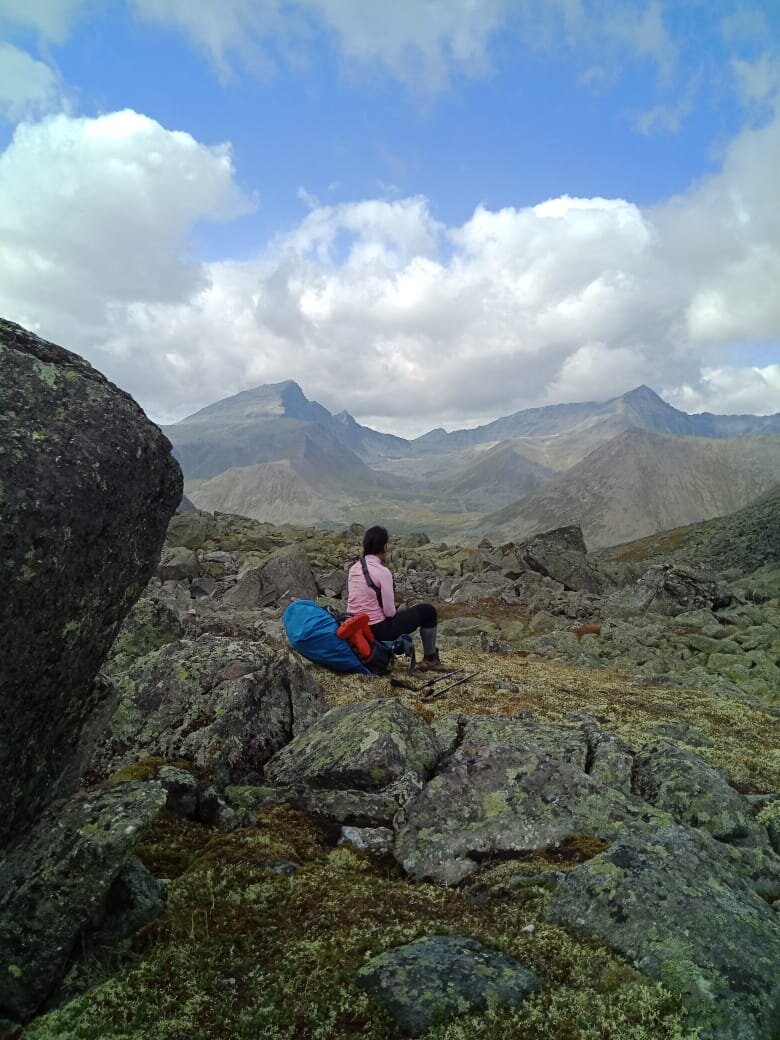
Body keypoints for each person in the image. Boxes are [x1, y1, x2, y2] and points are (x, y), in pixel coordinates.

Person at [346, 524, 446, 672]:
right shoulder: (383, 572)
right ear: (385, 547)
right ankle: (430, 659)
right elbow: (389, 613)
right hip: (376, 629)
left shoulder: (354, 568)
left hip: (353, 625)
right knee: (428, 611)